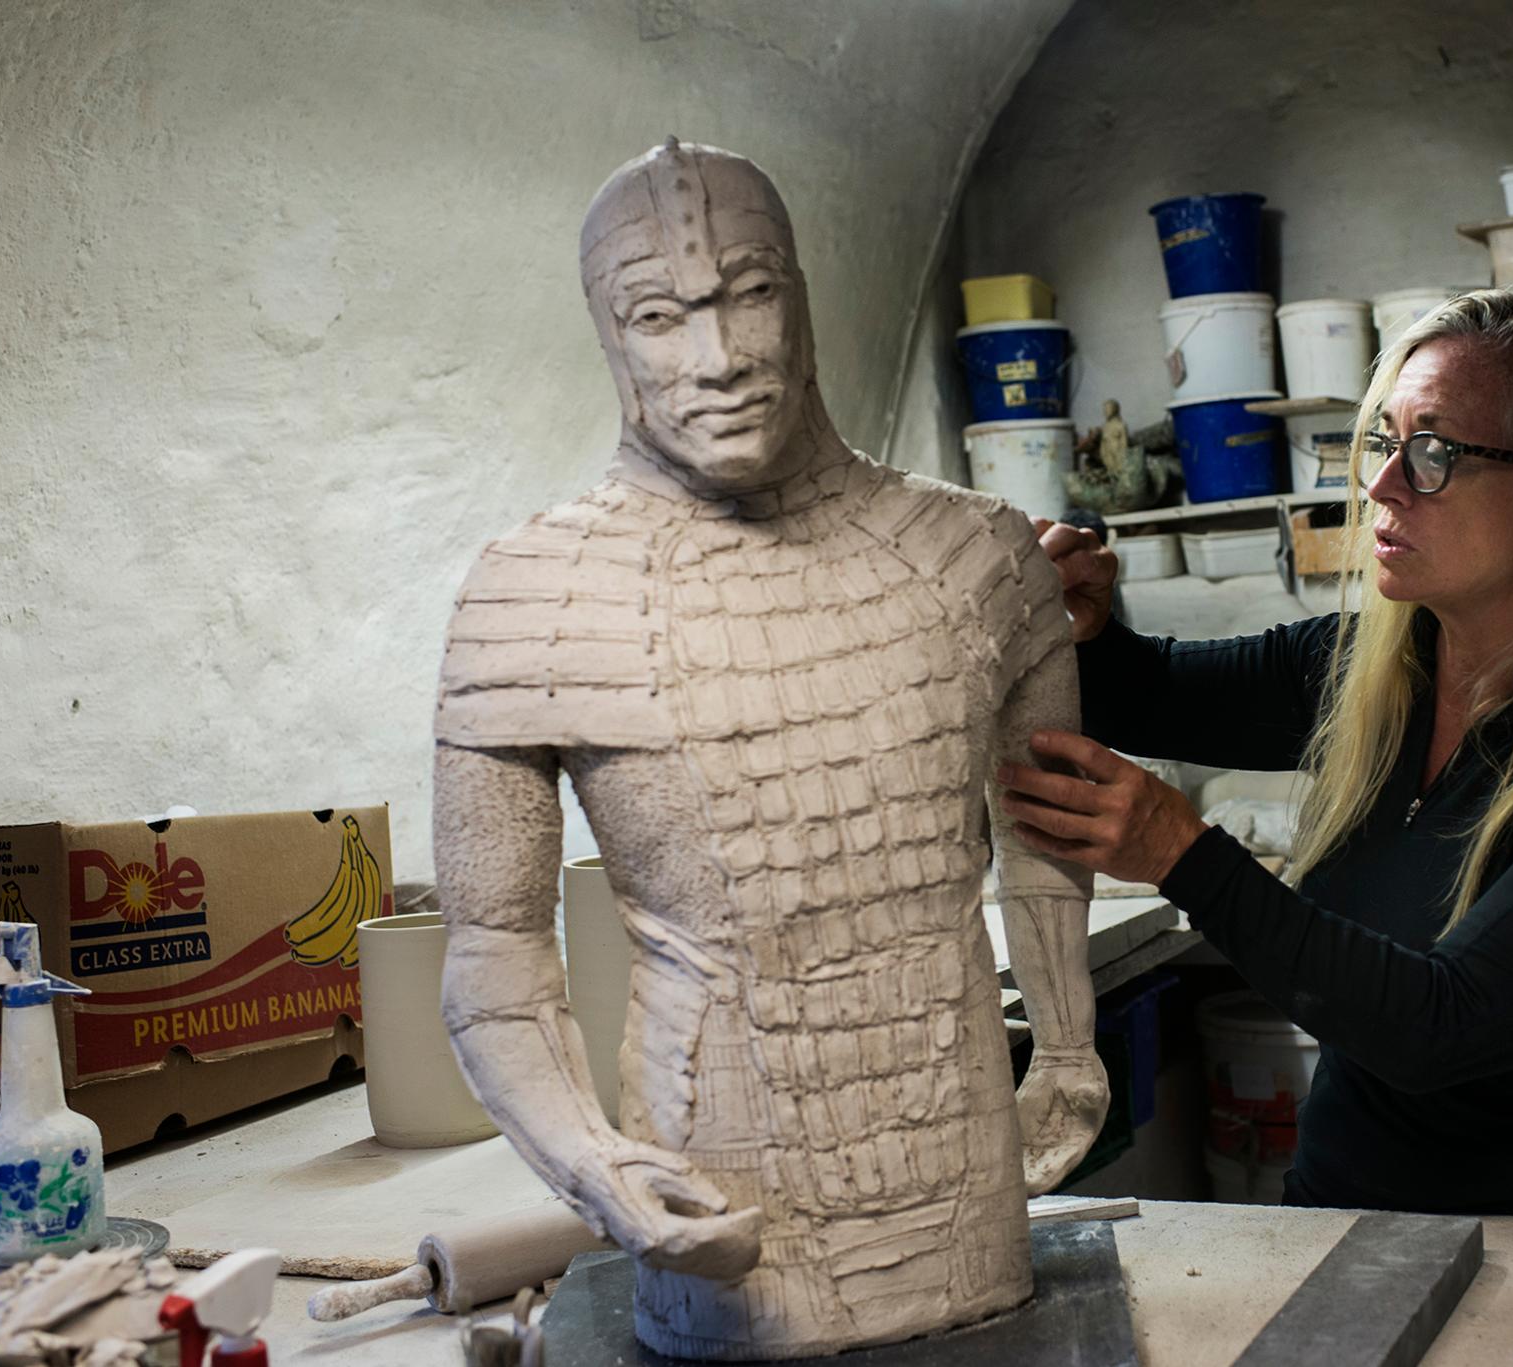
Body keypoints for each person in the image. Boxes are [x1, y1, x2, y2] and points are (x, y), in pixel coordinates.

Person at [432, 140, 1105, 1358]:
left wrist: (1064, 1043)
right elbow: (491, 951)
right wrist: (593, 1164)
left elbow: (1043, 838)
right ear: (609, 333)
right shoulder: (532, 597)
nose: (720, 356)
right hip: (719, 1181)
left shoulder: (977, 558)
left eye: (749, 293)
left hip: (959, 1148)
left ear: (797, 294)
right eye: (659, 314)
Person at [1000, 290, 1513, 1218]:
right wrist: (1084, 627)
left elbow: (1439, 1026)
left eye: (1435, 452)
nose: (1382, 486)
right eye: (1383, 444)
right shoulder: (1372, 669)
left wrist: (1180, 853)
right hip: (1338, 1225)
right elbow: (1147, 694)